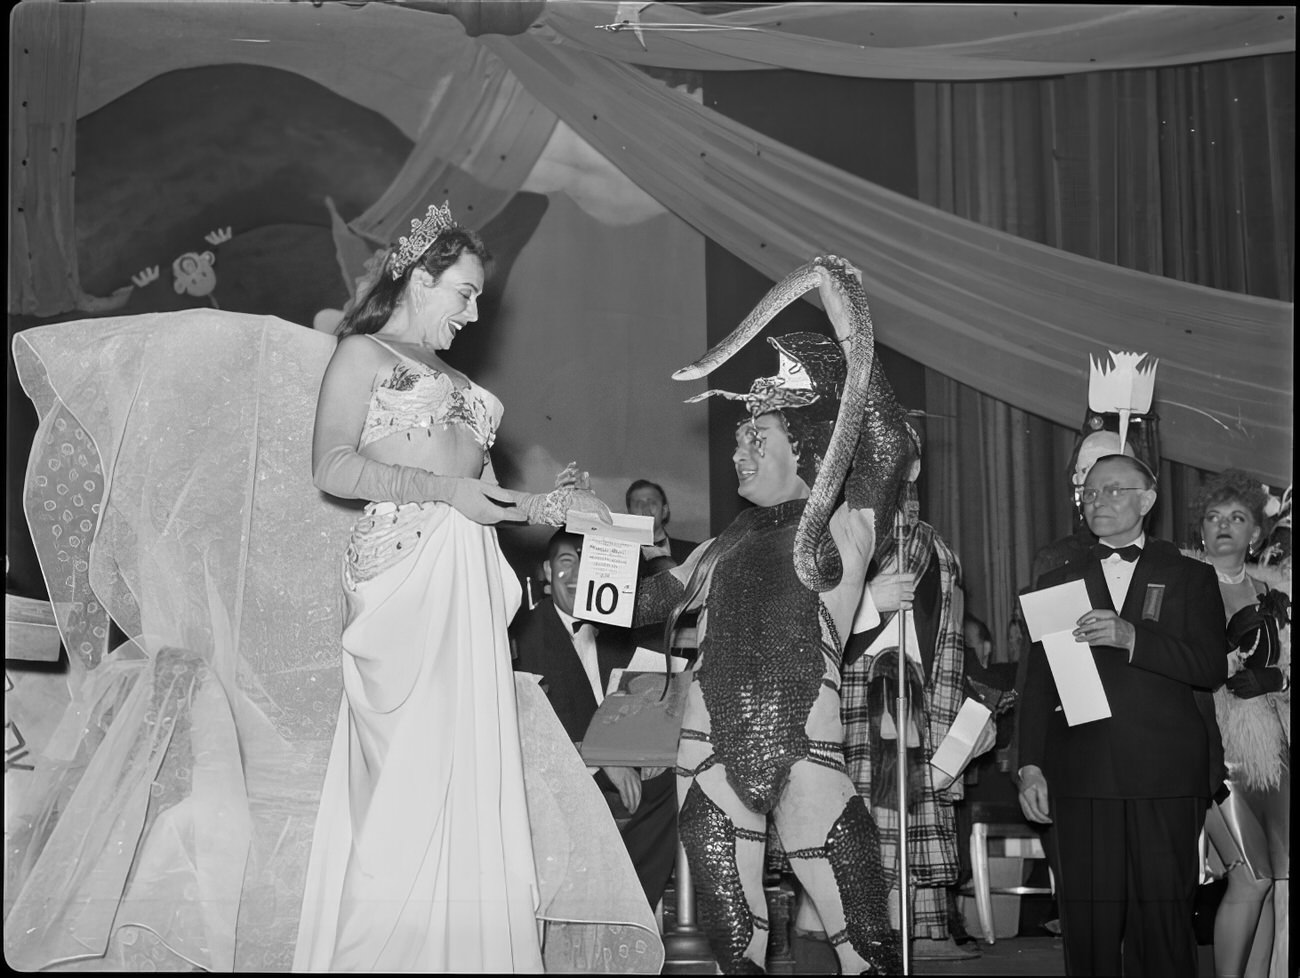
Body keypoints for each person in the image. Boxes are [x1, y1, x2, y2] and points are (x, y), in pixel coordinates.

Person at [294, 201, 641, 972]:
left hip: (468, 574)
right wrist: (444, 494)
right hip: (404, 575)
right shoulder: (363, 353)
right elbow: (331, 465)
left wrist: (551, 505)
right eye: (465, 291)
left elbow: (485, 494)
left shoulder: (463, 383)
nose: (475, 311)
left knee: (470, 773)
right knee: (408, 780)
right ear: (421, 278)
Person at [632, 253, 907, 974]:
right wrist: (584, 546)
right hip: (711, 755)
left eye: (757, 437)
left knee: (866, 939)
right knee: (733, 941)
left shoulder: (842, 526)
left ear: (806, 448)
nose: (738, 450)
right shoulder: (717, 549)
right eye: (735, 439)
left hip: (809, 754)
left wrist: (846, 318)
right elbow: (642, 603)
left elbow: (886, 442)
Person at [1017, 454, 1228, 977]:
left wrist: (1134, 638)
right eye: (1089, 493)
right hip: (1081, 773)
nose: (1097, 501)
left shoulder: (1189, 575)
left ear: (1147, 500)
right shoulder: (1056, 580)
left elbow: (1209, 666)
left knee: (1163, 922)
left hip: (1164, 773)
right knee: (1087, 927)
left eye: (1112, 490)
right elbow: (1037, 685)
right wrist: (1030, 766)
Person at [512, 530, 678, 911]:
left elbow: (647, 697)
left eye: (587, 563)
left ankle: (625, 905)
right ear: (547, 572)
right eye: (566, 562)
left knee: (675, 782)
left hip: (622, 762)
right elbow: (525, 729)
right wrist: (597, 756)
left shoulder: (623, 629)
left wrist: (650, 751)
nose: (576, 574)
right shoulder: (522, 633)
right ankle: (606, 906)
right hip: (555, 767)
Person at [1189, 471, 1290, 978]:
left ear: (1256, 532)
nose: (1224, 526)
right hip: (1213, 746)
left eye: (1237, 518)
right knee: (1250, 877)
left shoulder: (1276, 589)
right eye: (1213, 517)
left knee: (1269, 881)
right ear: (1200, 529)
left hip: (1273, 752)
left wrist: (1279, 678)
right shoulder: (1183, 579)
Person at [625, 479, 700, 653]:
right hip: (634, 653)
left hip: (687, 653)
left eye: (652, 503)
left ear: (665, 510)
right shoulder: (619, 558)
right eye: (638, 504)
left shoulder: (693, 552)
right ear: (628, 513)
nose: (645, 509)